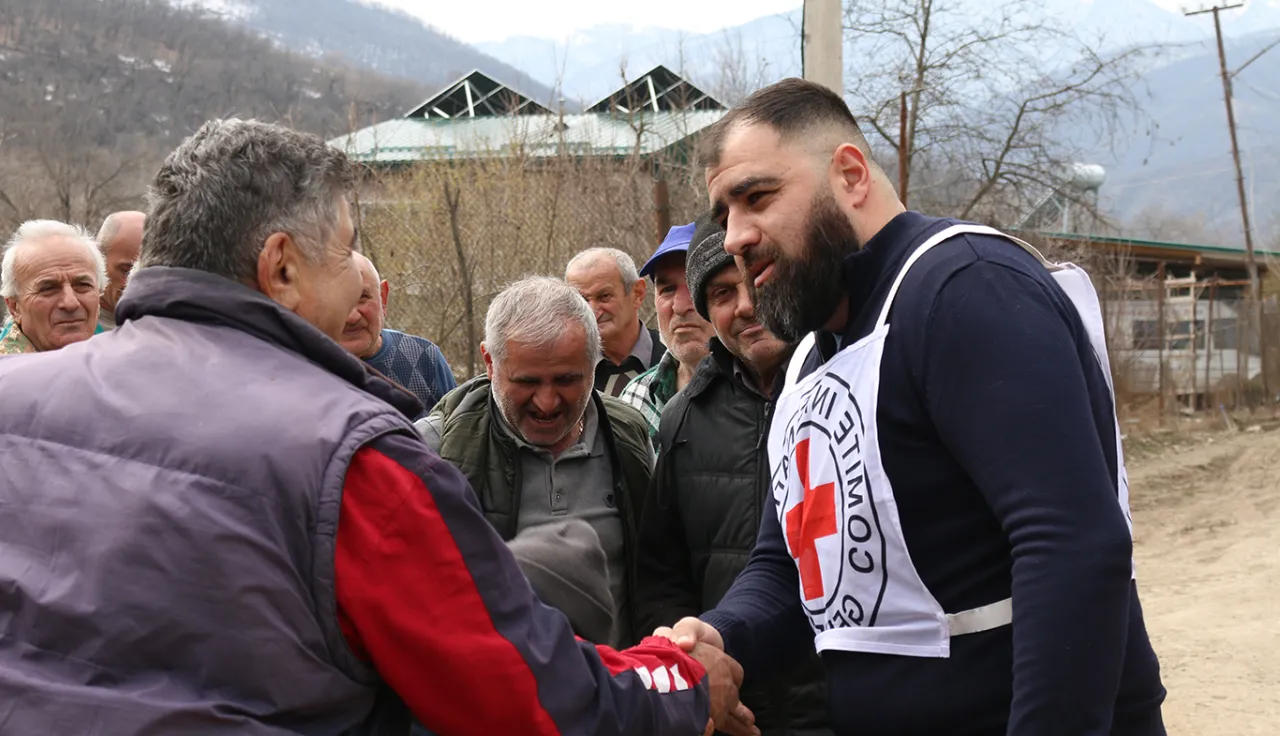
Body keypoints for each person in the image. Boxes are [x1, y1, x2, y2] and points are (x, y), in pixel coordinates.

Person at [0, 117, 752, 735]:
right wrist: (683, 682)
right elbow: (527, 697)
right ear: (282, 267)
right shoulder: (349, 458)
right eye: (344, 250)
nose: (356, 278)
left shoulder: (13, 401)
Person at [657, 78, 1167, 735]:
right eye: (725, 213)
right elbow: (789, 569)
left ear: (849, 175)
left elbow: (1071, 544)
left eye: (757, 197)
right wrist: (723, 637)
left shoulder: (965, 287)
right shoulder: (809, 360)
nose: (734, 237)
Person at [636, 218, 831, 736]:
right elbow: (662, 575)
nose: (746, 306)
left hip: (843, 704)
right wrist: (694, 667)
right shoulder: (684, 417)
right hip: (731, 707)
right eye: (723, 293)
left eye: (757, 282)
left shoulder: (845, 389)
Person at [416, 276, 655, 649]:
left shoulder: (629, 436)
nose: (547, 402)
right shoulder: (432, 450)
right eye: (527, 382)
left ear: (595, 362)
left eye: (566, 380)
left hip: (616, 680)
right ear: (490, 362)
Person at [619, 221, 716, 444]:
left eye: (694, 285)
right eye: (668, 289)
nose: (680, 307)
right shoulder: (636, 400)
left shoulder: (763, 393)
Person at [340, 251, 456, 417]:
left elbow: (458, 428)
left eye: (363, 297)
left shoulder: (424, 358)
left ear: (383, 298)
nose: (352, 317)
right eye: (340, 301)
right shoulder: (308, 368)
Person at [565, 247, 666, 396]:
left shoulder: (676, 360)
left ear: (637, 294)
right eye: (582, 300)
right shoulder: (566, 372)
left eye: (604, 296)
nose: (592, 311)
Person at [1, 219, 104, 355]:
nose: (71, 303)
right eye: (48, 289)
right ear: (14, 307)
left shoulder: (117, 359)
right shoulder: (6, 367)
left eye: (83, 285)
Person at [94, 210, 145, 331]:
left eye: (145, 272)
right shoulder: (79, 328)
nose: (135, 282)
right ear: (99, 259)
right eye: (126, 271)